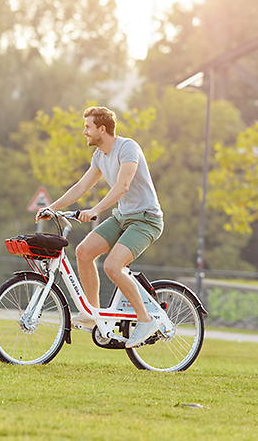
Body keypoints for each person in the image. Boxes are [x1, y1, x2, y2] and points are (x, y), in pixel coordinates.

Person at [37, 106, 163, 348]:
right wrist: (51, 207)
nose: (84, 132)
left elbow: (123, 185)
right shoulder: (99, 156)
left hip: (146, 219)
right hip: (122, 216)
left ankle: (146, 320)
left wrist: (95, 210)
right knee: (83, 252)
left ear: (101, 129)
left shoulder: (128, 148)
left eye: (88, 127)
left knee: (113, 266)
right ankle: (93, 314)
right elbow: (81, 186)